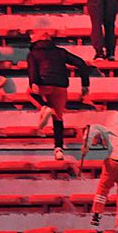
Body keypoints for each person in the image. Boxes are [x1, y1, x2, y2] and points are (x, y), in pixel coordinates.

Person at [27, 30, 90, 160]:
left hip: (44, 84)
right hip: (61, 87)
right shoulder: (61, 52)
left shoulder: (33, 53)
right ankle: (58, 148)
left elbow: (33, 70)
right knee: (58, 118)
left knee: (29, 93)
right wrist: (85, 84)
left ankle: (44, 107)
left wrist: (33, 83)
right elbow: (81, 63)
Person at [82, 112, 118, 233]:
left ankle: (96, 213)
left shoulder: (110, 129)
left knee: (103, 187)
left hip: (114, 161)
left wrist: (86, 145)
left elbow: (93, 128)